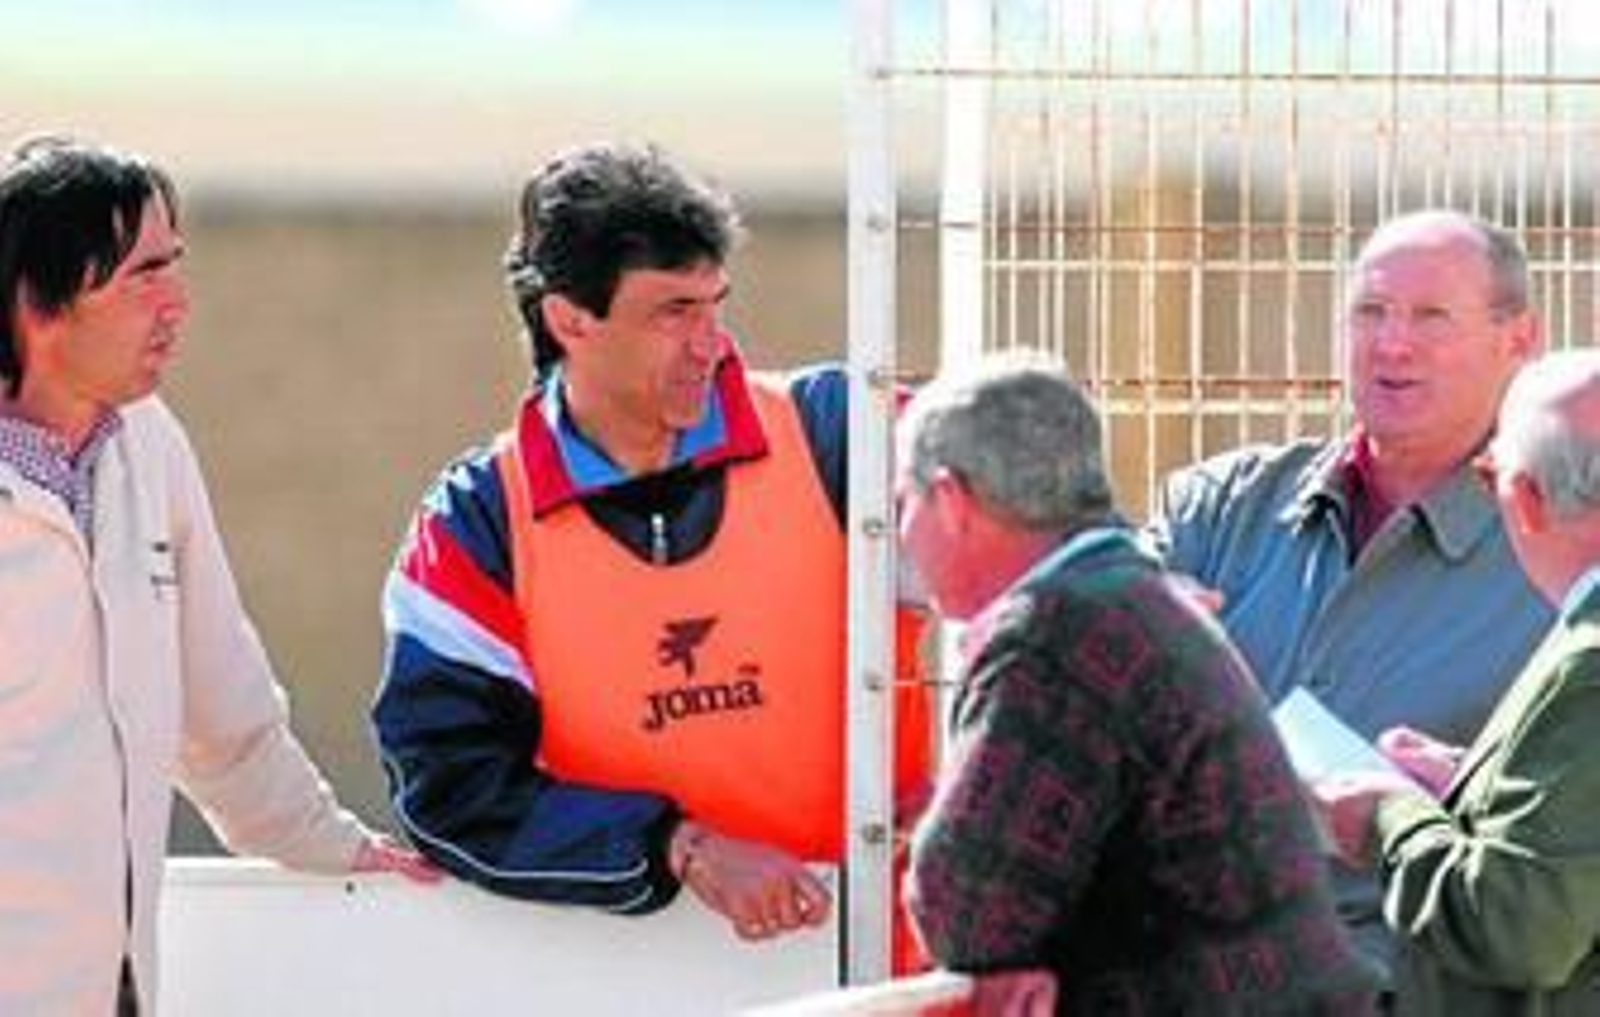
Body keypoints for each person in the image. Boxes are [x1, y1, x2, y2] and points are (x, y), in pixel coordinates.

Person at [372, 142, 931, 953]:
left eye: (715, 304)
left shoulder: (844, 430)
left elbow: (1054, 569)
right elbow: (449, 791)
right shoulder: (474, 522)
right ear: (570, 319)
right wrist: (681, 847)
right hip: (627, 980)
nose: (711, 342)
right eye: (674, 312)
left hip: (889, 969)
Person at [0, 135, 437, 1015]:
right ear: (37, 307)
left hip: (114, 987)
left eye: (177, 266)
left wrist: (327, 841)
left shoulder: (150, 446)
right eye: (143, 275)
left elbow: (220, 700)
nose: (179, 304)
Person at [897, 354, 1375, 1013]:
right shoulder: (1134, 594)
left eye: (903, 502)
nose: (901, 534)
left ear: (950, 500)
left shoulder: (1050, 629)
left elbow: (969, 907)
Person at [1146, 209, 1552, 976]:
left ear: (1520, 339)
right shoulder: (1221, 506)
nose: (1391, 343)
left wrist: (1455, 787)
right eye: (1370, 312)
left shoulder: (1561, 542)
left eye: (1431, 316)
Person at [1313, 348, 1600, 1013]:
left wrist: (1388, 816)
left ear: (1524, 498)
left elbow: (1519, 928)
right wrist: (1477, 784)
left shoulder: (1589, 662)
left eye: (1487, 474)